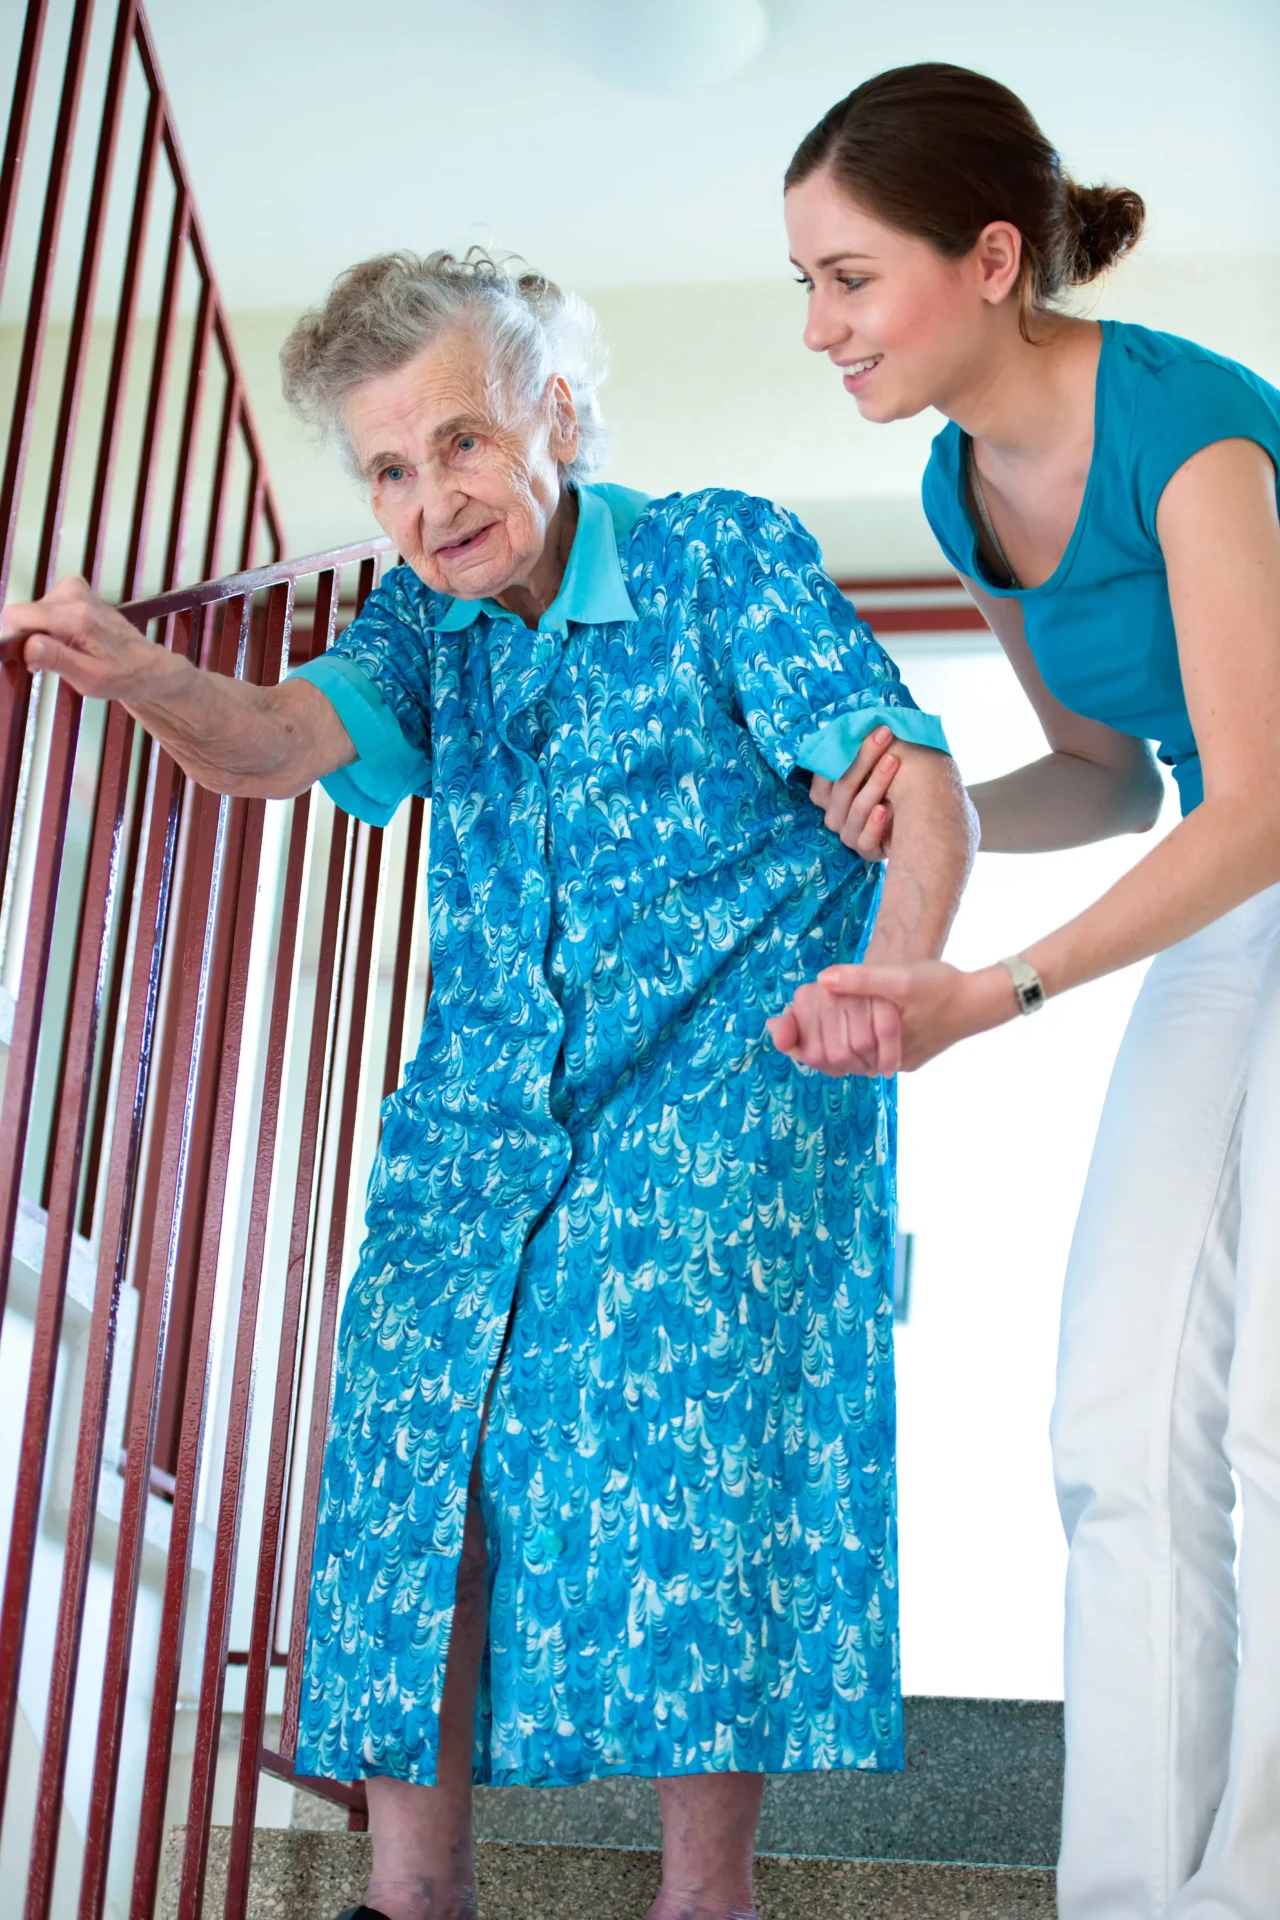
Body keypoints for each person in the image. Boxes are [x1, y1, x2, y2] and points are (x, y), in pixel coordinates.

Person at [3, 250, 973, 1920]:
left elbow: (910, 782)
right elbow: (279, 744)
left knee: (683, 1489)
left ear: (558, 415)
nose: (431, 498)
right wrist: (141, 674)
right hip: (477, 1128)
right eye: (389, 467)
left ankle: (703, 1899)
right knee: (405, 1482)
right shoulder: (424, 625)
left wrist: (911, 974)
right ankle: (411, 1900)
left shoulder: (713, 556)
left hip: (711, 1108)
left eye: (462, 442)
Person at [774, 61, 1280, 1920]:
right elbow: (1110, 779)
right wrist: (910, 806)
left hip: (1275, 846)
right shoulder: (959, 476)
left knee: (1266, 1421)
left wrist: (1001, 988)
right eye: (805, 287)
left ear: (991, 258)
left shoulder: (1192, 425)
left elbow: (1265, 796)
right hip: (1240, 875)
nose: (820, 327)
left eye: (849, 279)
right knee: (1111, 1422)